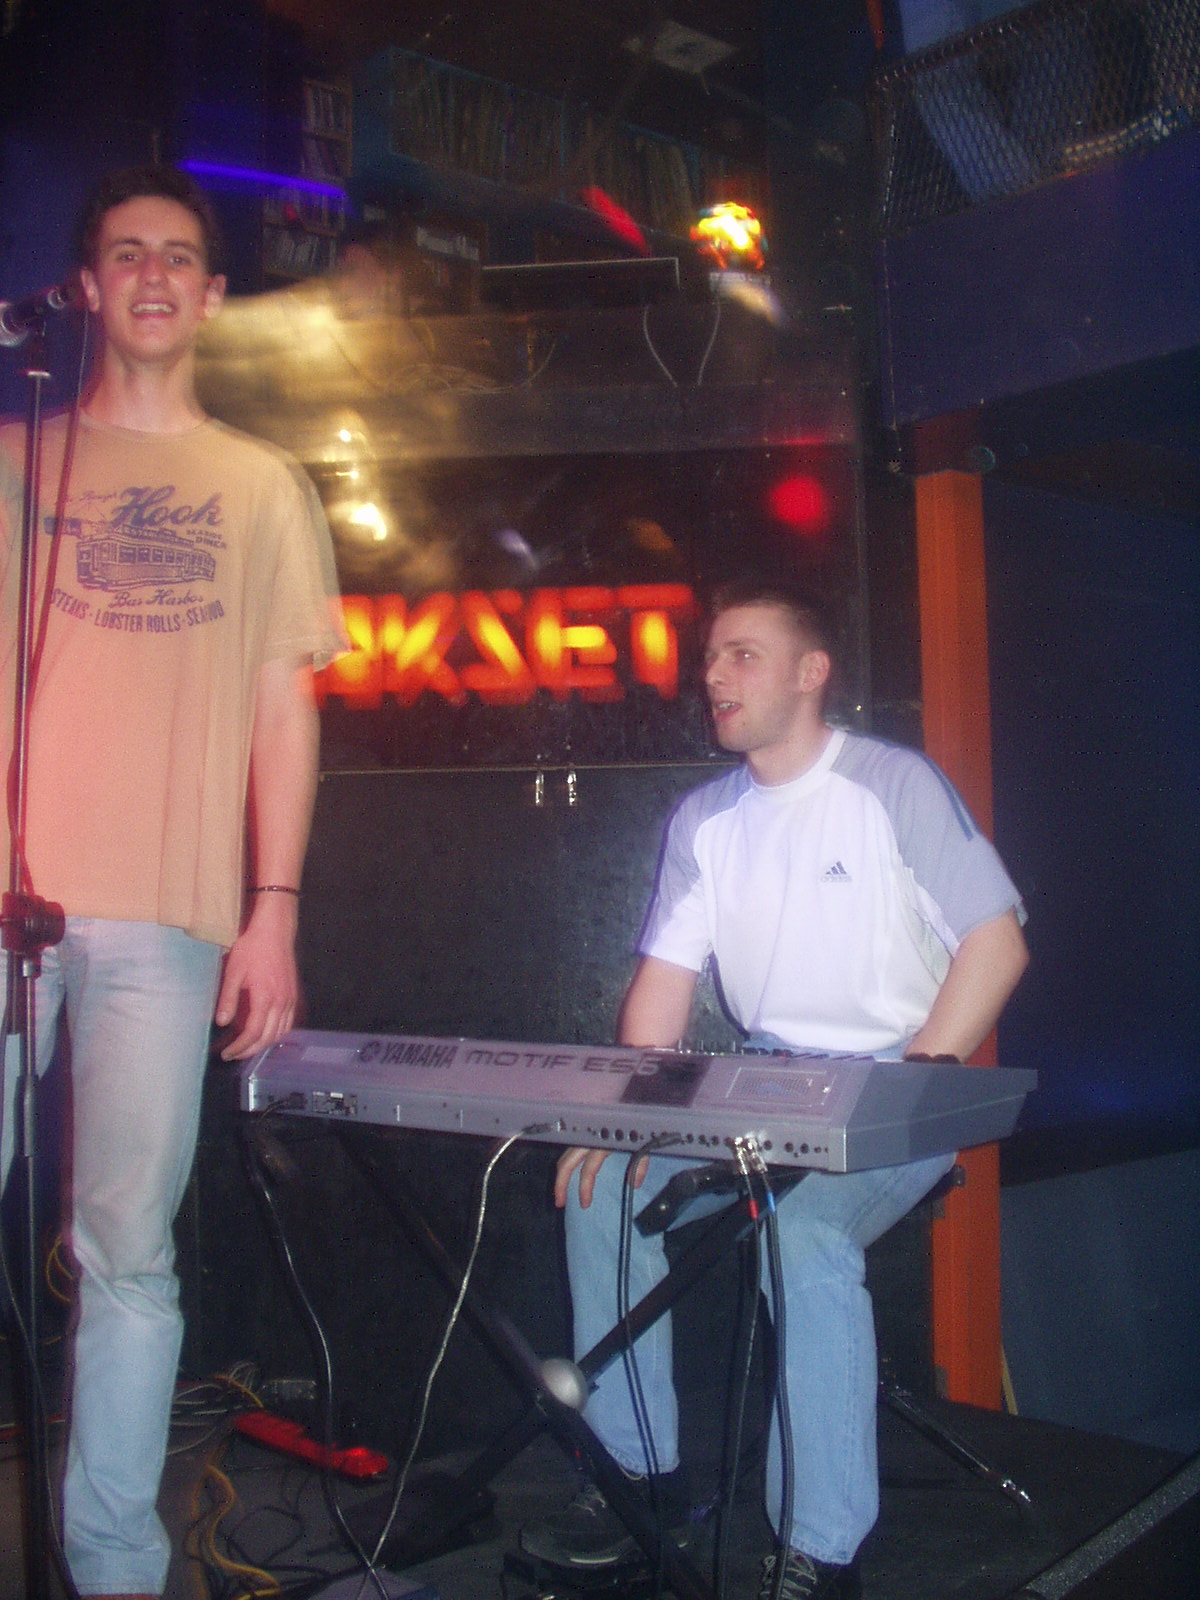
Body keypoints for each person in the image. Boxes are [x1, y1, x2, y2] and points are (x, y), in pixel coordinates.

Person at [522, 577, 1029, 1600]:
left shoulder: (892, 784)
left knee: (803, 1236)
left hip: (896, 1080)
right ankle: (636, 1481)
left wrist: (910, 1085)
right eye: (711, 656)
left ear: (811, 672)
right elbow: (662, 987)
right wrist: (624, 1117)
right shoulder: (704, 818)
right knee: (602, 1189)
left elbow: (997, 943)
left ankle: (819, 1547)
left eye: (741, 654)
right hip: (762, 1078)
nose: (713, 673)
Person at [0, 165, 345, 1598]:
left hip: (168, 917)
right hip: (8, 905)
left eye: (179, 255)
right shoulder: (15, 462)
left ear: (210, 294)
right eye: (126, 252)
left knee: (129, 1257)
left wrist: (275, 911)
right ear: (86, 287)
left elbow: (284, 712)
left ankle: (114, 1571)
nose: (153, 273)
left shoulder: (261, 485)